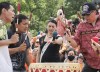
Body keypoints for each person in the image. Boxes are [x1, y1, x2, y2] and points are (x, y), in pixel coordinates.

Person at [65, 2, 100, 72]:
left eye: (88, 14)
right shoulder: (81, 26)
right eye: (84, 15)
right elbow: (75, 44)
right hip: (90, 64)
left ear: (95, 12)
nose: (86, 17)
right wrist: (68, 38)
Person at [0, 2, 19, 72]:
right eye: (12, 11)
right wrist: (11, 41)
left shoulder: (3, 26)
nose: (14, 13)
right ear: (4, 11)